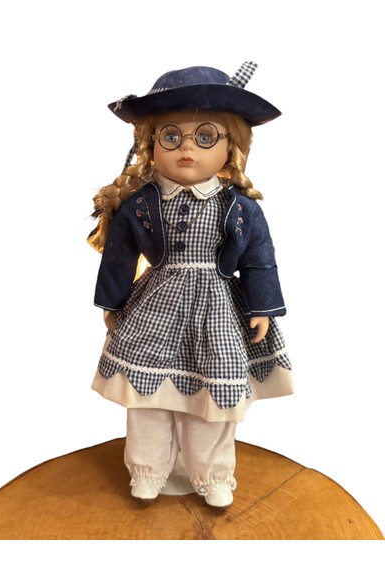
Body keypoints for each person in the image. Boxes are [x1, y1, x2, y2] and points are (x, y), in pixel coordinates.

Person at [88, 62, 293, 507]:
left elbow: (259, 260)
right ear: (150, 144)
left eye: (205, 137)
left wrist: (262, 306)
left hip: (216, 311)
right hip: (155, 309)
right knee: (148, 399)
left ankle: (212, 475)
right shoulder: (141, 205)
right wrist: (112, 302)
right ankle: (148, 468)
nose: (186, 149)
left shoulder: (240, 208)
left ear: (231, 147)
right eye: (171, 137)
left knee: (212, 400)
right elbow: (119, 257)